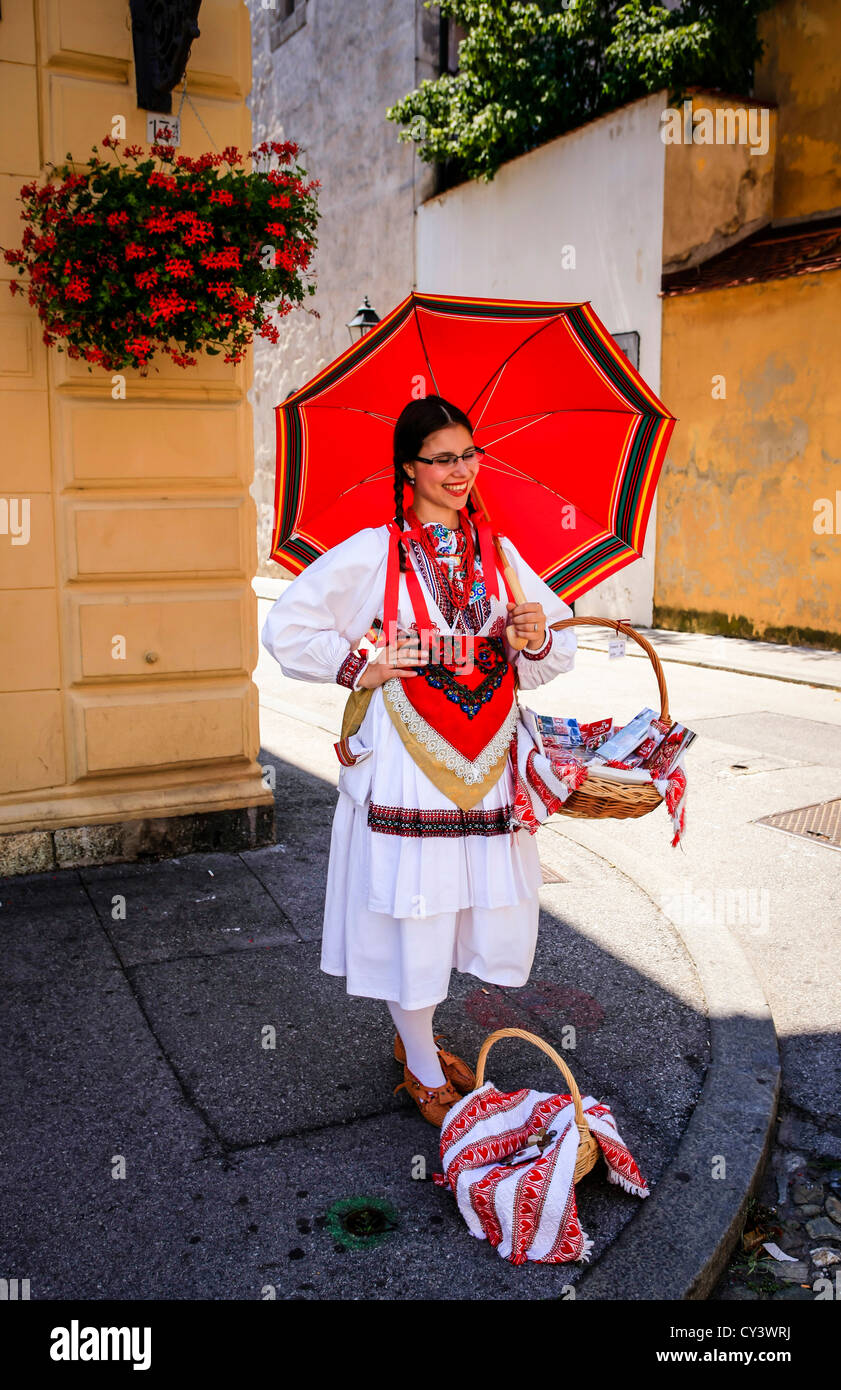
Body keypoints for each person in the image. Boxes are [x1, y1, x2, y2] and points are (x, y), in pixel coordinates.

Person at [261, 395, 577, 1124]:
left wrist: (531, 634)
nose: (460, 470)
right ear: (409, 467)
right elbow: (288, 627)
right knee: (417, 906)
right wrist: (361, 665)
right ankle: (421, 1061)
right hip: (409, 757)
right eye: (441, 458)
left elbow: (556, 647)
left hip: (485, 760)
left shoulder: (498, 553)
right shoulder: (376, 549)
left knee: (462, 905)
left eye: (469, 454)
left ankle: (416, 1043)